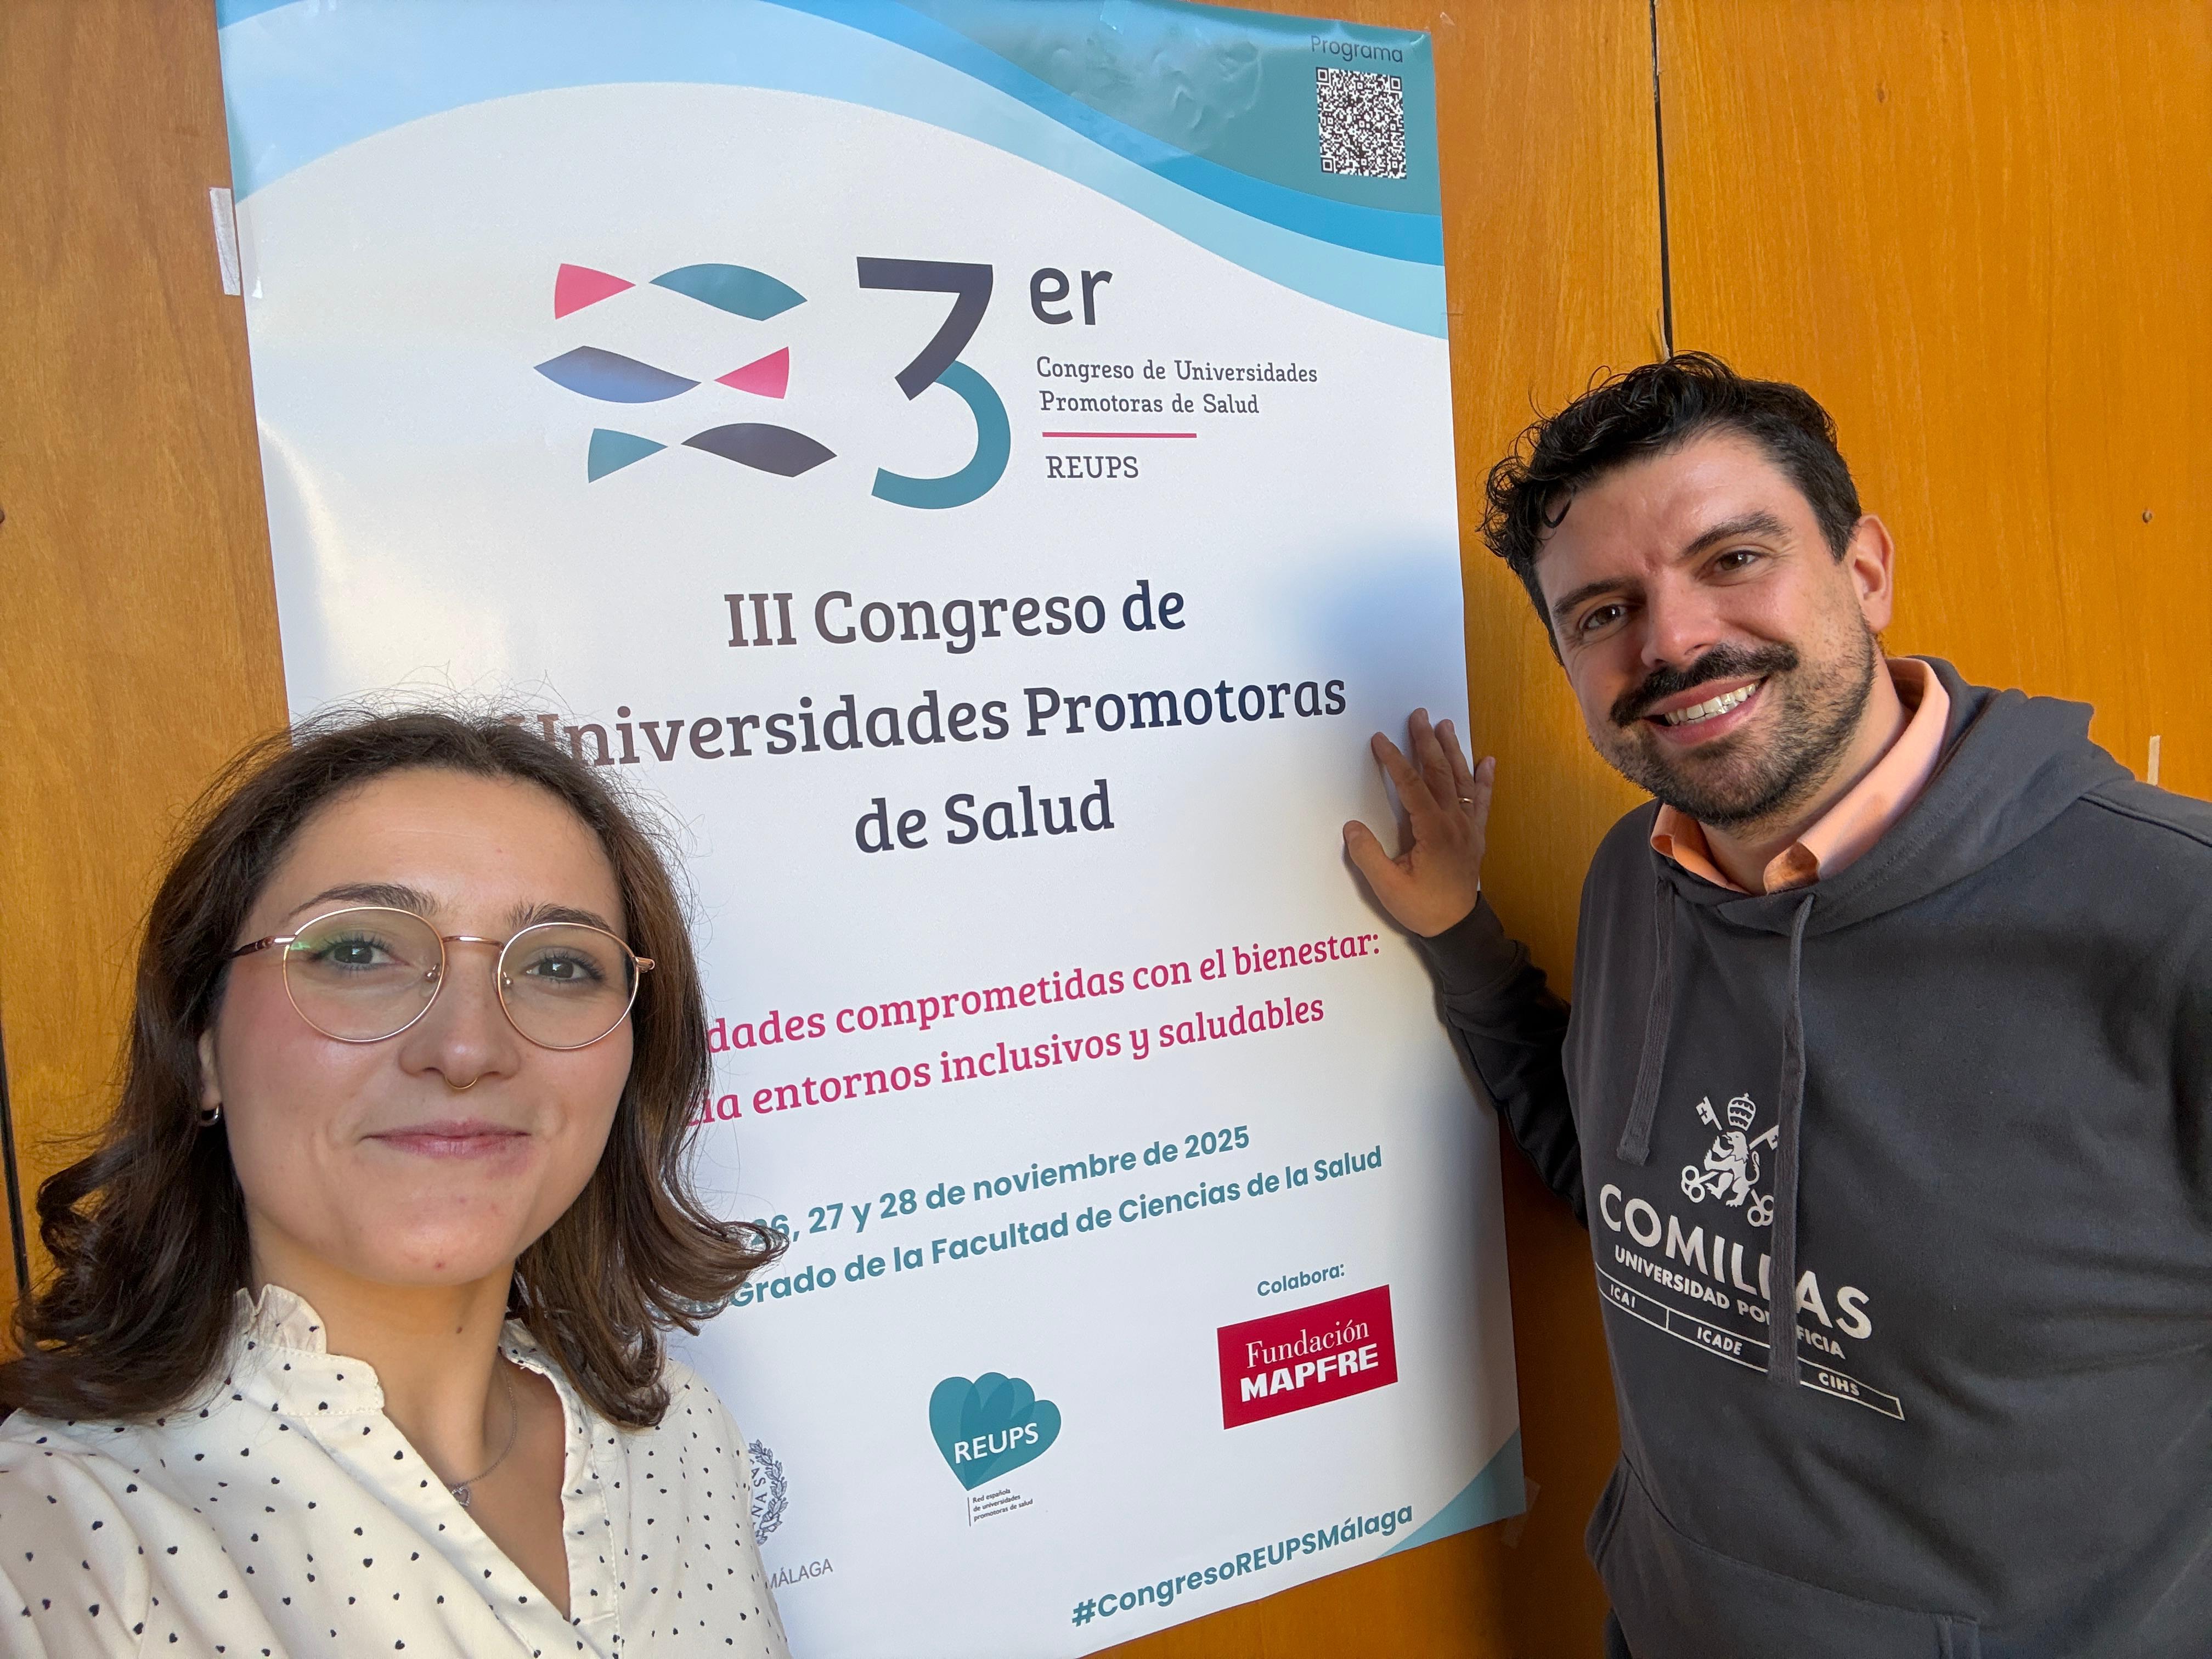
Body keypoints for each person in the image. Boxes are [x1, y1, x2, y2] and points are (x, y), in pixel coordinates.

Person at [1344, 354, 2211, 1658]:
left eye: (1733, 557)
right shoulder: (1633, 886)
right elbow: (1625, 1192)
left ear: (1864, 570)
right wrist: (1463, 936)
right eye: (1601, 614)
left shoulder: (2173, 924)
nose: (1675, 642)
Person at [0, 710, 791, 1656]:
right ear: (202, 1046)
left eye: (556, 964)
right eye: (359, 951)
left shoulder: (679, 1436)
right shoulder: (59, 1543)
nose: (467, 1048)